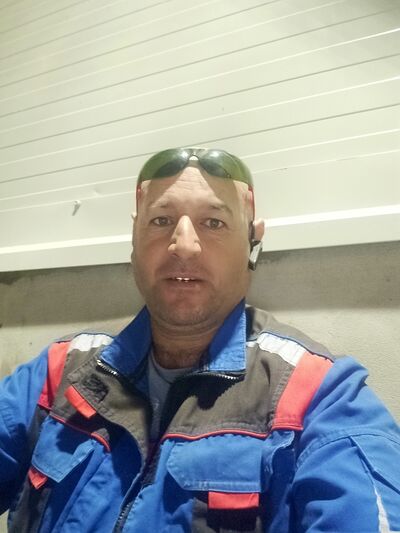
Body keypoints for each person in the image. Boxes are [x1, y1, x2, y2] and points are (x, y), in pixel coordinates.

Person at [0, 147, 399, 533]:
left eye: (214, 223)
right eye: (161, 220)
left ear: (253, 241)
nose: (184, 246)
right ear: (134, 237)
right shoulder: (60, 369)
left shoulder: (320, 394)